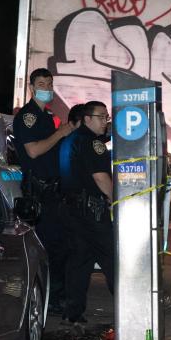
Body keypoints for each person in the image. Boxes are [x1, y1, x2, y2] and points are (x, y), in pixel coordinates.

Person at [13, 68, 73, 315]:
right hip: (38, 190)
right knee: (50, 246)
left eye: (49, 83)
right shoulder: (29, 117)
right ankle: (50, 300)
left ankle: (54, 297)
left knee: (59, 245)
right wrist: (60, 133)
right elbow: (34, 151)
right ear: (31, 87)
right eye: (41, 83)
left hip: (52, 189)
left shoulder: (47, 116)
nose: (47, 88)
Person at [61, 100, 115, 324]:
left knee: (79, 261)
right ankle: (129, 308)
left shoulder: (70, 140)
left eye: (107, 117)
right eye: (101, 117)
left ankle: (72, 313)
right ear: (87, 119)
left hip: (72, 210)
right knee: (112, 258)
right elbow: (100, 176)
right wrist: (115, 200)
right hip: (92, 210)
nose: (105, 121)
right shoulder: (94, 144)